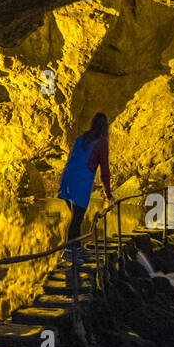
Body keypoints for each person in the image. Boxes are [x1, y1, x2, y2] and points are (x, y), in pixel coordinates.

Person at [57, 112, 113, 263]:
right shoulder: (102, 142)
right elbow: (105, 171)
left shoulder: (80, 138)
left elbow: (73, 159)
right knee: (77, 219)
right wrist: (108, 193)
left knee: (77, 217)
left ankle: (77, 248)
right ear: (105, 127)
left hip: (66, 179)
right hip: (80, 183)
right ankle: (68, 251)